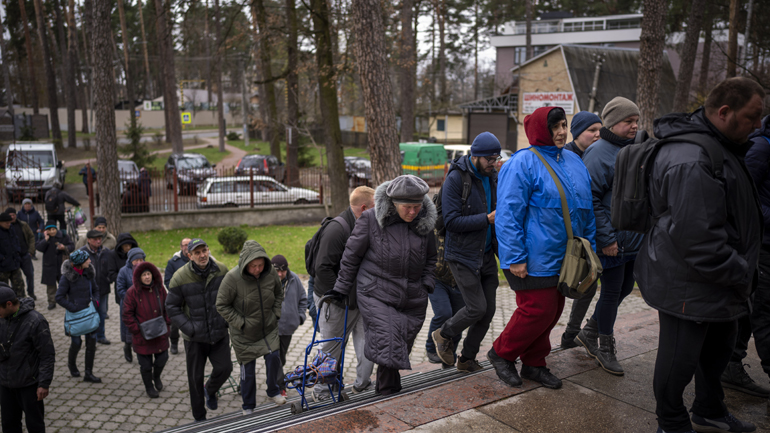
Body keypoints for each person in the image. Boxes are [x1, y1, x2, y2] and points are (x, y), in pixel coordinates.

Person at [637, 77, 764, 433]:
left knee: (717, 351)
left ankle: (709, 408)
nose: (758, 125)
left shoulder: (718, 144)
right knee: (679, 360)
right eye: (753, 116)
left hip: (717, 280)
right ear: (724, 112)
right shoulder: (691, 158)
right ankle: (672, 422)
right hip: (688, 281)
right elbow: (698, 240)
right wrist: (741, 272)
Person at [489, 106, 596, 390]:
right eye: (555, 127)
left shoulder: (574, 161)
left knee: (553, 310)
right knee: (537, 310)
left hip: (566, 257)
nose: (561, 132)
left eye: (564, 125)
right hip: (531, 257)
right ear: (540, 130)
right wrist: (515, 257)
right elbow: (508, 214)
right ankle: (501, 353)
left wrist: (591, 250)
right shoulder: (522, 162)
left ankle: (535, 364)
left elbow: (587, 210)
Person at [330, 175, 437, 395]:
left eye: (417, 207)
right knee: (389, 341)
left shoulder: (424, 222)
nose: (412, 212)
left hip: (412, 296)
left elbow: (431, 258)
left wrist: (426, 283)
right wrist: (341, 287)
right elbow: (351, 255)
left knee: (398, 348)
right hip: (375, 292)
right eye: (407, 207)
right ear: (394, 204)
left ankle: (386, 393)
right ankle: (388, 395)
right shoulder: (370, 220)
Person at [574, 97, 646, 376]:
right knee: (613, 290)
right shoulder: (599, 152)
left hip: (631, 239)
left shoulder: (633, 149)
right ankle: (604, 345)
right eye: (629, 121)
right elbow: (589, 199)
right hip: (612, 240)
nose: (634, 126)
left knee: (627, 287)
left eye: (636, 121)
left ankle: (590, 331)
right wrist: (606, 240)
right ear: (613, 123)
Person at [431, 132, 499, 372]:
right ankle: (443, 334)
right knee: (476, 307)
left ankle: (467, 358)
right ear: (476, 156)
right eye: (489, 159)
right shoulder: (456, 179)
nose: (494, 163)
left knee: (488, 311)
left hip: (487, 254)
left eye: (496, 158)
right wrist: (486, 219)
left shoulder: (493, 177)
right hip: (461, 256)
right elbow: (451, 222)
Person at [721, 113, 770, 398]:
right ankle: (731, 364)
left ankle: (731, 363)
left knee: (753, 311)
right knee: (763, 310)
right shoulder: (761, 147)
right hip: (759, 245)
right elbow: (741, 199)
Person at [312, 186, 376, 397]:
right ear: (365, 208)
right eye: (376, 208)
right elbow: (322, 270)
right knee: (331, 348)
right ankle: (322, 391)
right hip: (334, 302)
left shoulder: (364, 224)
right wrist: (343, 295)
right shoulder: (337, 229)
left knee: (367, 342)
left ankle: (362, 384)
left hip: (358, 298)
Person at [166, 238, 231, 422]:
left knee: (225, 368)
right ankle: (199, 419)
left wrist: (226, 321)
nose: (202, 255)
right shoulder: (180, 276)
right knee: (194, 380)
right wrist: (189, 328)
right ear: (190, 255)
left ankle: (210, 389)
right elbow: (171, 307)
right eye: (197, 252)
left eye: (205, 250)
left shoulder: (221, 270)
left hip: (218, 333)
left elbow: (231, 297)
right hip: (194, 338)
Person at [216, 241, 286, 413]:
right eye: (253, 266)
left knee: (274, 357)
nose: (257, 269)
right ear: (246, 264)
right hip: (244, 333)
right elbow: (221, 305)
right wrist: (241, 323)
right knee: (248, 371)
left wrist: (276, 313)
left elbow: (278, 293)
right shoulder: (232, 278)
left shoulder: (270, 273)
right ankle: (248, 406)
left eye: (260, 265)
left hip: (267, 328)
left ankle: (273, 390)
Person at [560, 111, 602, 349]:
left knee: (588, 284)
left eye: (599, 130)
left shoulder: (596, 155)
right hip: (567, 235)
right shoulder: (565, 156)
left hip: (588, 233)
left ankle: (571, 334)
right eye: (592, 130)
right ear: (577, 133)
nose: (597, 135)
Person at [0, 284, 55, 433]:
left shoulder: (36, 321)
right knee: (9, 425)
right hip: (5, 384)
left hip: (29, 385)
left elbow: (47, 354)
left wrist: (43, 383)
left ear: (9, 304)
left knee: (35, 426)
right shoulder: (2, 318)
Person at [122, 262, 171, 399]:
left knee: (163, 358)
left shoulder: (160, 289)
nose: (147, 277)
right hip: (142, 336)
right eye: (144, 275)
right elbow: (127, 314)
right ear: (139, 277)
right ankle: (149, 386)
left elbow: (168, 306)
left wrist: (167, 322)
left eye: (149, 274)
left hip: (160, 333)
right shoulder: (132, 292)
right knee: (146, 365)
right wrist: (137, 330)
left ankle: (156, 377)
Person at [56, 249, 102, 383]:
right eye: (87, 259)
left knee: (91, 343)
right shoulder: (67, 277)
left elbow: (96, 290)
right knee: (76, 343)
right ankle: (72, 364)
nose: (90, 261)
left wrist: (96, 301)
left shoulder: (89, 273)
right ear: (80, 263)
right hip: (75, 317)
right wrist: (73, 307)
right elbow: (59, 297)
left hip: (90, 314)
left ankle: (88, 373)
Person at [272, 254, 307, 396]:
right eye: (277, 271)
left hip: (288, 328)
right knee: (276, 358)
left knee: (282, 357)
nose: (280, 274)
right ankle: (280, 387)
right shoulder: (266, 281)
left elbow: (303, 299)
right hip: (272, 328)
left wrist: (300, 317)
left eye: (283, 271)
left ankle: (274, 379)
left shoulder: (294, 280)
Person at [36, 221, 74, 310]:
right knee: (51, 286)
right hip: (49, 266)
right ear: (46, 231)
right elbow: (39, 248)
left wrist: (64, 247)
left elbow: (72, 245)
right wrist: (45, 239)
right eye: (49, 230)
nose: (52, 231)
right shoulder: (43, 238)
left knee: (64, 283)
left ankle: (65, 299)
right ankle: (52, 301)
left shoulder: (63, 236)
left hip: (62, 265)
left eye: (53, 229)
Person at [80, 229, 110, 345]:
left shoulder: (106, 252)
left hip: (103, 288)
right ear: (88, 240)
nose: (98, 241)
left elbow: (110, 268)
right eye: (95, 239)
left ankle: (101, 336)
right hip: (88, 290)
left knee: (102, 313)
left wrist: (108, 279)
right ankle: (91, 339)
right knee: (90, 315)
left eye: (100, 239)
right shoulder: (82, 253)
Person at [117, 247, 146, 362]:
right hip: (129, 306)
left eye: (141, 260)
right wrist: (131, 301)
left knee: (142, 329)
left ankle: (142, 351)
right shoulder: (123, 271)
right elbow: (120, 289)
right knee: (129, 328)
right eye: (136, 260)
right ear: (130, 260)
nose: (138, 262)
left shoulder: (146, 269)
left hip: (144, 306)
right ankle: (127, 347)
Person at [164, 237, 191, 355]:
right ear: (181, 247)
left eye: (189, 244)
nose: (186, 247)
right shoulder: (173, 262)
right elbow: (167, 281)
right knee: (175, 324)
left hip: (193, 298)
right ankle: (174, 343)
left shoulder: (196, 259)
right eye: (184, 245)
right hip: (178, 299)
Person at [6, 207, 37, 301]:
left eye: (13, 215)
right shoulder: (5, 228)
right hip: (13, 258)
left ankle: (31, 292)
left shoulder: (23, 225)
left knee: (30, 275)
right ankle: (15, 295)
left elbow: (31, 237)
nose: (12, 217)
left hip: (25, 255)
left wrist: (30, 251)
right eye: (10, 215)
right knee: (16, 278)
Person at [0, 212, 24, 298]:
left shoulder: (11, 228)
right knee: (3, 291)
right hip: (3, 267)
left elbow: (16, 241)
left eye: (10, 222)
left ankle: (22, 306)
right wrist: (2, 258)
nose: (9, 224)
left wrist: (18, 251)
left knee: (19, 287)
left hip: (15, 264)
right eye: (6, 223)